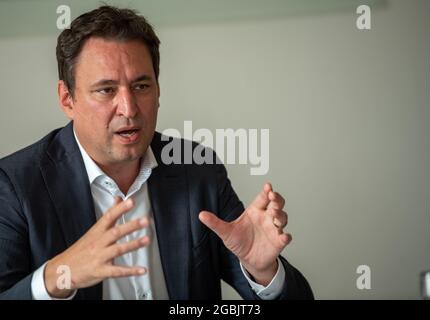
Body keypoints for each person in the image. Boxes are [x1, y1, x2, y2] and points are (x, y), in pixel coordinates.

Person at [0, 5, 313, 300]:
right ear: (67, 99)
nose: (129, 108)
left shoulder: (197, 167)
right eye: (106, 90)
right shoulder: (15, 185)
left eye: (141, 86)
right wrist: (56, 276)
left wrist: (263, 271)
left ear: (158, 90)